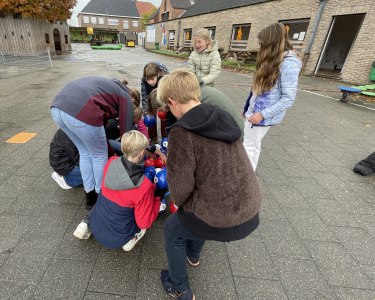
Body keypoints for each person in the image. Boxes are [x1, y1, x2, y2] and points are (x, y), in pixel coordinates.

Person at [157, 70, 262, 299]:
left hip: (223, 216)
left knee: (173, 228)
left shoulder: (182, 133)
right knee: (198, 209)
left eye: (167, 106)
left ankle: (180, 287)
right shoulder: (221, 115)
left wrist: (180, 202)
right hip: (249, 205)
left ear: (172, 101)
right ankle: (193, 255)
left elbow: (180, 189)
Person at [73, 130, 167, 251]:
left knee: (109, 199)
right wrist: (157, 196)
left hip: (96, 226)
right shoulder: (144, 186)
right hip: (118, 239)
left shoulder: (111, 162)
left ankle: (85, 223)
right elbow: (145, 223)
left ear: (122, 149)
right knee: (142, 217)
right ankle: (133, 237)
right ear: (143, 153)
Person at [51, 76, 134, 209]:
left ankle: (89, 196)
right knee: (99, 155)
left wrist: (112, 153)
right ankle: (101, 195)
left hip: (57, 108)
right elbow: (128, 134)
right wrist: (131, 161)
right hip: (80, 111)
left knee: (85, 152)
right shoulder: (125, 96)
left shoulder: (105, 87)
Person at [242, 23, 302, 171]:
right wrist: (247, 107)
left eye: (261, 44)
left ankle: (243, 181)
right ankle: (250, 175)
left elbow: (288, 98)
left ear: (271, 44)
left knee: (247, 147)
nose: (258, 47)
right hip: (255, 112)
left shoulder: (288, 65)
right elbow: (256, 89)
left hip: (261, 115)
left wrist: (262, 114)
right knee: (254, 145)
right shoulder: (273, 60)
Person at [147, 73, 245, 139]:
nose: (163, 112)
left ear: (171, 101)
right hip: (229, 128)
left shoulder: (192, 101)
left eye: (161, 109)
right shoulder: (189, 94)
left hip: (232, 130)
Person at [141, 62, 169, 142]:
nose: (150, 82)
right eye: (148, 79)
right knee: (151, 112)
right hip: (151, 95)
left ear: (157, 75)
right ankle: (153, 137)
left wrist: (165, 108)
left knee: (164, 115)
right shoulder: (143, 80)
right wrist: (146, 113)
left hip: (162, 95)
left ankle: (165, 137)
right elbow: (144, 96)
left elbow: (167, 96)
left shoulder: (164, 79)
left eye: (152, 79)